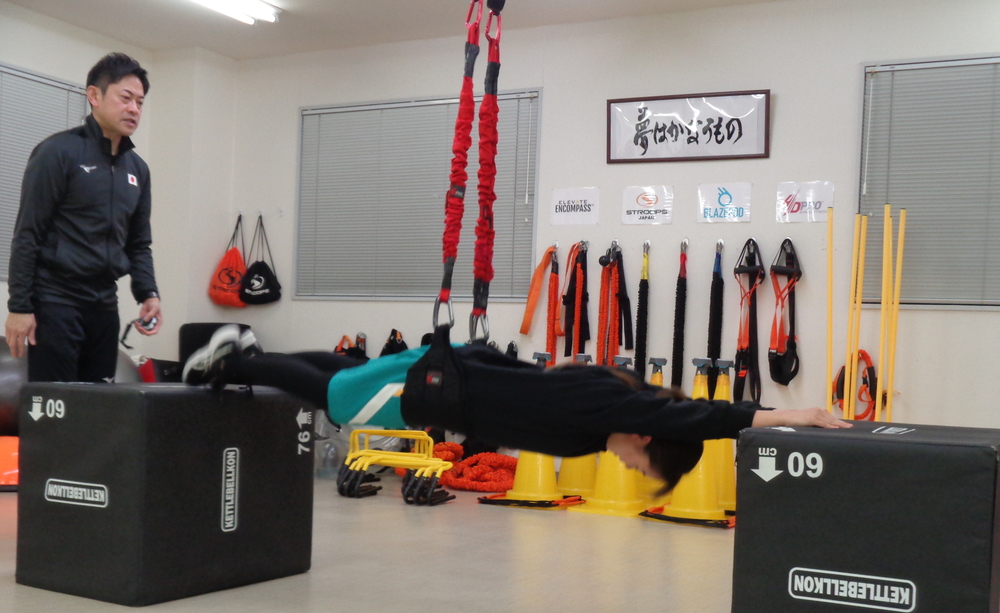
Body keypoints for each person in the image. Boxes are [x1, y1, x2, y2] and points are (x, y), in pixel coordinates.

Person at [183, 325, 851, 493]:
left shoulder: (606, 411)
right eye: (642, 467)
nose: (628, 469)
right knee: (338, 399)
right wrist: (789, 416)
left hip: (452, 368)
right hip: (442, 386)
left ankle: (248, 351)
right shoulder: (614, 411)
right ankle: (233, 361)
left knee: (347, 377)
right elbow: (708, 418)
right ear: (650, 437)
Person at [5, 52, 161, 382]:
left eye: (140, 102)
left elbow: (138, 243)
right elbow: (27, 234)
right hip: (55, 302)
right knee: (57, 404)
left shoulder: (138, 170)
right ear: (94, 96)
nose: (134, 109)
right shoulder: (57, 152)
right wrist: (19, 307)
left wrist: (148, 293)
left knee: (98, 405)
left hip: (104, 306)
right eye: (125, 98)